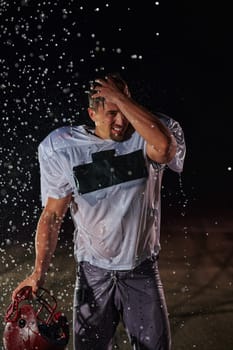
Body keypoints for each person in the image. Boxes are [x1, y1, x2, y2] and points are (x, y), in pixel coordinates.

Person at [12, 72, 186, 350]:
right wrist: (38, 271)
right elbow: (53, 215)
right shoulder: (64, 147)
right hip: (94, 273)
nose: (121, 120)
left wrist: (119, 98)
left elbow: (165, 149)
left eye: (126, 107)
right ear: (92, 113)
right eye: (112, 112)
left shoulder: (150, 132)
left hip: (140, 270)